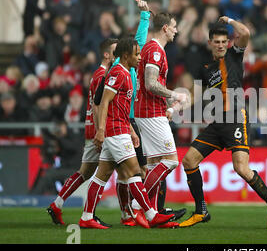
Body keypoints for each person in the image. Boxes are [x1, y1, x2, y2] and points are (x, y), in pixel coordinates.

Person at [179, 18, 267, 228]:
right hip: (217, 123)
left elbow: (244, 31)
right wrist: (174, 108)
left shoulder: (234, 55)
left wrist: (227, 20)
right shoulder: (206, 68)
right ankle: (201, 211)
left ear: (228, 43)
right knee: (189, 161)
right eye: (216, 41)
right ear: (210, 43)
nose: (220, 45)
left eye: (223, 41)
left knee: (241, 168)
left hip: (236, 118)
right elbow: (194, 96)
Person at [79, 37, 174, 229]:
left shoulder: (125, 72)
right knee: (134, 171)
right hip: (115, 131)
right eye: (137, 54)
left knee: (101, 175)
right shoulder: (117, 73)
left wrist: (131, 130)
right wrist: (101, 130)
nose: (140, 57)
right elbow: (104, 101)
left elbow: (119, 107)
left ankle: (87, 216)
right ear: (125, 56)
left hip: (121, 128)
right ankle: (151, 214)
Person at [46, 37, 118, 226]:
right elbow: (97, 106)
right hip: (98, 131)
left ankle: (57, 204)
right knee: (117, 171)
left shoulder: (99, 74)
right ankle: (93, 215)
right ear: (106, 54)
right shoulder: (102, 75)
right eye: (115, 51)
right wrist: (100, 130)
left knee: (84, 172)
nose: (118, 55)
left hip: (91, 129)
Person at [132, 12, 188, 227]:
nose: (176, 30)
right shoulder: (155, 50)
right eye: (173, 26)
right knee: (171, 161)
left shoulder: (151, 48)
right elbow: (150, 84)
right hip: (149, 113)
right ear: (165, 28)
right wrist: (175, 95)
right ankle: (140, 206)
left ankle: (152, 214)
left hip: (150, 110)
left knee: (155, 163)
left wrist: (167, 106)